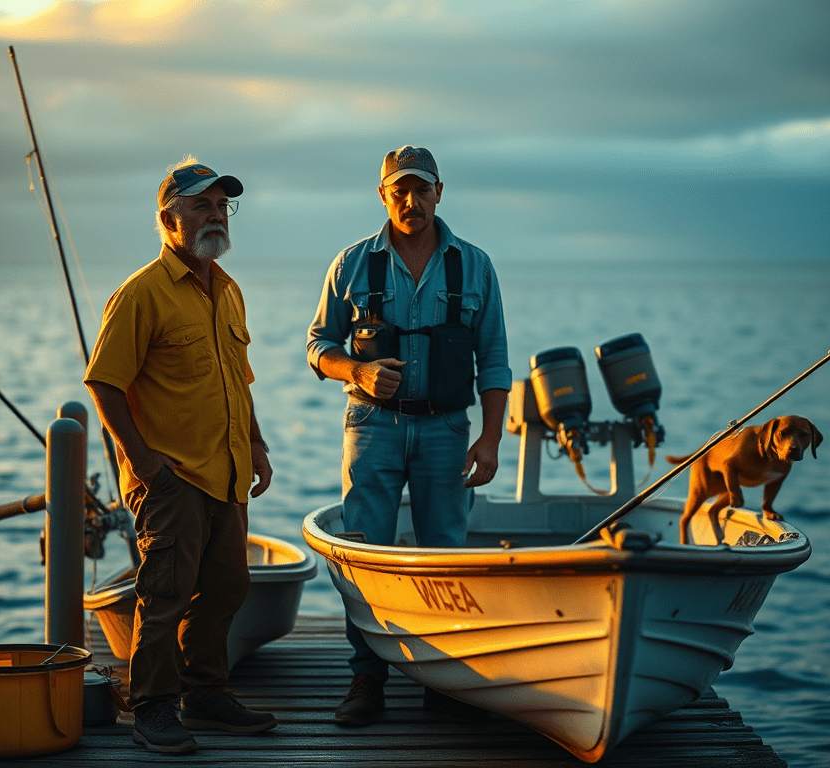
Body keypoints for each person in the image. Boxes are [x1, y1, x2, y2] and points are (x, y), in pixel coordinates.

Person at [307, 146, 512, 726]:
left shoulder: (474, 265)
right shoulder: (350, 265)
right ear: (382, 196)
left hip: (448, 429)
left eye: (422, 189)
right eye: (399, 189)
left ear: (439, 193)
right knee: (364, 547)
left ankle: (440, 680)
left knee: (445, 553)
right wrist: (358, 371)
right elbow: (318, 346)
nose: (411, 200)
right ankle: (366, 678)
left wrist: (490, 439)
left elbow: (494, 362)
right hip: (371, 427)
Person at [85, 157, 277, 754]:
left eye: (222, 205)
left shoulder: (229, 290)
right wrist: (141, 461)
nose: (215, 214)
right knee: (164, 596)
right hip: (170, 476)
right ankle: (153, 708)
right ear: (169, 219)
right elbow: (104, 382)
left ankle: (206, 694)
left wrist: (257, 443)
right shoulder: (141, 293)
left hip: (226, 472)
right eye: (201, 205)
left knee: (226, 587)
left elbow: (237, 381)